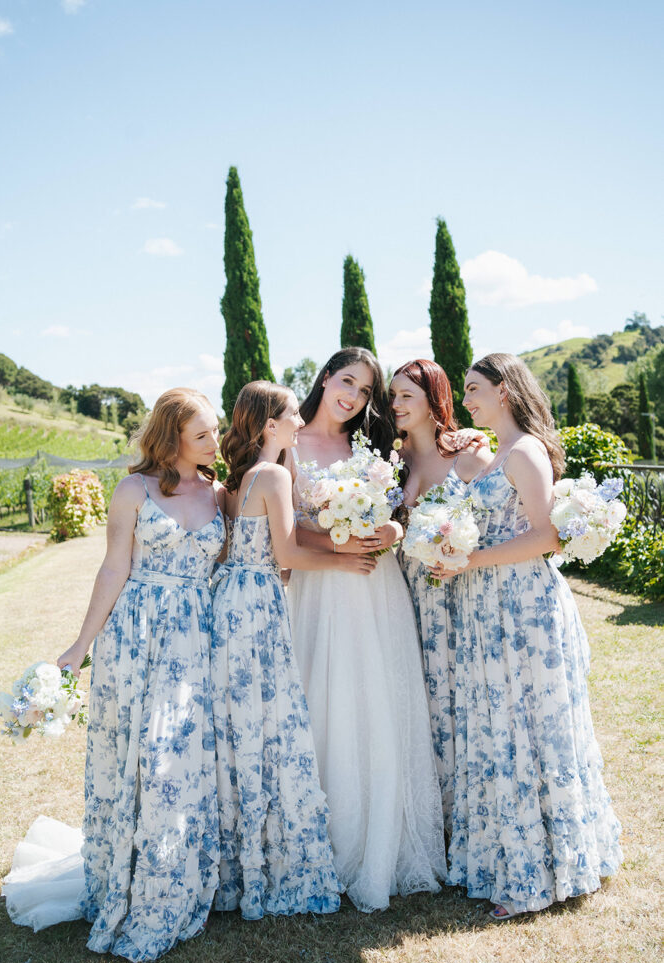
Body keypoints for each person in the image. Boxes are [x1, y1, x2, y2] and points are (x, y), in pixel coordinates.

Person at [3, 388, 227, 961]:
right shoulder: (133, 489)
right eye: (201, 433)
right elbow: (113, 567)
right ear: (171, 435)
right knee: (129, 756)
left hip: (196, 640)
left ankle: (169, 879)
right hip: (135, 635)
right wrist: (80, 646)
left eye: (215, 430)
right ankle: (123, 875)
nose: (213, 441)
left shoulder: (222, 494)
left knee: (172, 756)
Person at [434, 354, 622, 920]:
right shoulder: (499, 452)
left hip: (522, 605)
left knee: (530, 726)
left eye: (474, 389)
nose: (466, 398)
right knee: (500, 727)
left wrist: (469, 561)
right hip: (489, 604)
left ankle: (539, 871)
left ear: (506, 390)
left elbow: (547, 538)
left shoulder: (527, 452)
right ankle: (511, 858)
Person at [286, 347, 447, 913]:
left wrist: (390, 532)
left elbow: (399, 512)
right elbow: (280, 530)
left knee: (378, 698)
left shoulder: (375, 447)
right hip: (319, 590)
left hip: (376, 588)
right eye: (346, 381)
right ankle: (324, 841)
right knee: (325, 700)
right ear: (326, 377)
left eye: (364, 390)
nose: (352, 396)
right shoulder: (288, 441)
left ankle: (385, 837)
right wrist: (335, 542)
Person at [210, 381, 375, 920]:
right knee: (272, 720)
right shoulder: (275, 475)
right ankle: (274, 854)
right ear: (269, 425)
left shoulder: (235, 480)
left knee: (242, 723)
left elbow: (268, 540)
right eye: (290, 417)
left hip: (229, 601)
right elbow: (288, 552)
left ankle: (240, 852)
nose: (301, 423)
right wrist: (345, 562)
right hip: (258, 601)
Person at [390, 359, 493, 836]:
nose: (395, 404)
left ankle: (470, 816)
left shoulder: (468, 455)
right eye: (392, 396)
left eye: (406, 395)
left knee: (463, 700)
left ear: (434, 400)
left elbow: (501, 518)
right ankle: (433, 821)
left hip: (462, 597)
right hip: (405, 594)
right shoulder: (391, 460)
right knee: (421, 703)